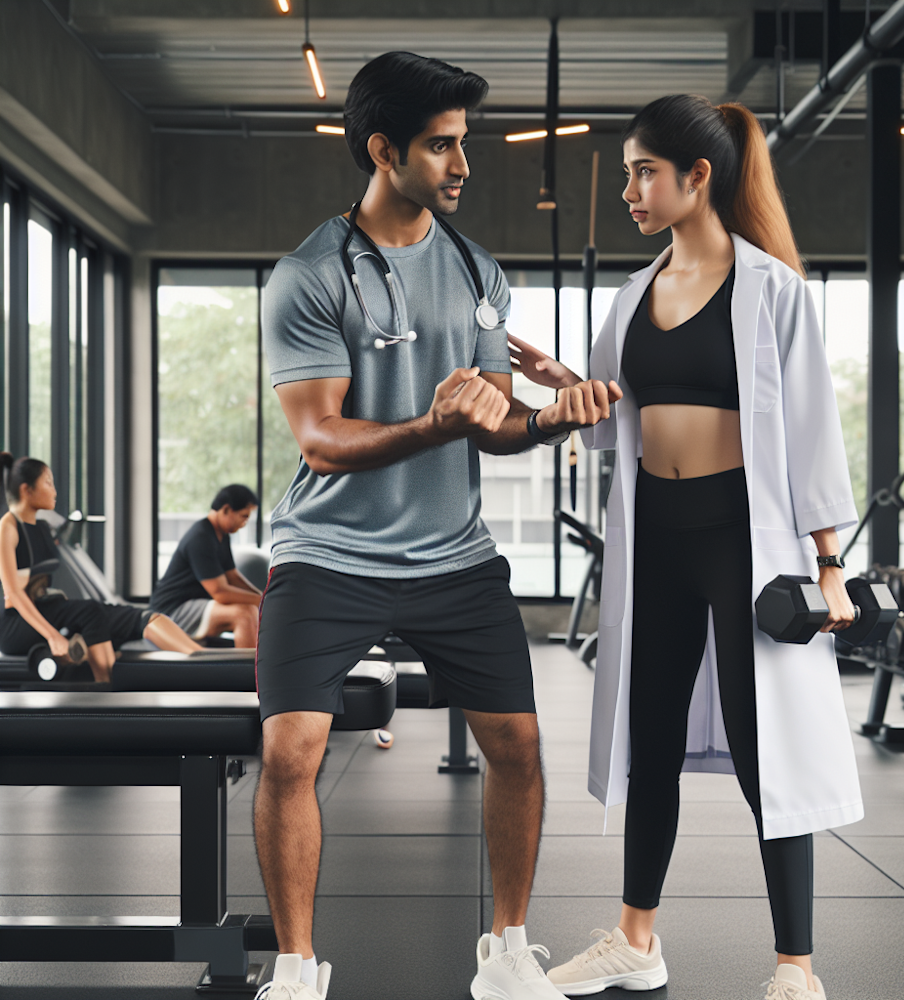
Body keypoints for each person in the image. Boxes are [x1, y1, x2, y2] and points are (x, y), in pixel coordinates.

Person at [254, 51, 621, 1000]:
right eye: (443, 146)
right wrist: (434, 423)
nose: (464, 164)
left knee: (519, 746)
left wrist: (551, 417)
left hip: (452, 555)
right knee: (290, 749)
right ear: (384, 150)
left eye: (467, 144)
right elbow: (322, 439)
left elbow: (492, 422)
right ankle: (296, 967)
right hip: (328, 552)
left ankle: (504, 953)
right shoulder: (309, 274)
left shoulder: (475, 271)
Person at [511, 95, 863, 1000]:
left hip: (742, 538)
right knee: (651, 737)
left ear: (696, 176)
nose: (629, 188)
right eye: (630, 171)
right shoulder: (635, 292)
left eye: (642, 171)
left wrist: (829, 564)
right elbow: (605, 421)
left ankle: (796, 967)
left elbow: (817, 433)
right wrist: (567, 386)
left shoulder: (771, 288)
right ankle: (636, 939)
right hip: (656, 535)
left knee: (764, 748)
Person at [0, 453, 202, 682]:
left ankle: (202, 658)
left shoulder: (42, 526)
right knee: (90, 611)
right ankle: (105, 690)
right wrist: (54, 636)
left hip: (48, 608)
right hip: (17, 625)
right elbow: (14, 594)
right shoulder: (8, 526)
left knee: (132, 616)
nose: (55, 491)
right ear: (27, 490)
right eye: (48, 483)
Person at [149, 484, 262, 648]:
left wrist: (263, 596)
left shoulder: (222, 535)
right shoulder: (200, 537)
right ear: (226, 510)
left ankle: (257, 668)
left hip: (194, 605)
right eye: (243, 516)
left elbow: (233, 577)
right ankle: (249, 673)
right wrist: (262, 601)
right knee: (244, 614)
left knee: (252, 609)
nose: (245, 522)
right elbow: (220, 592)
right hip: (170, 612)